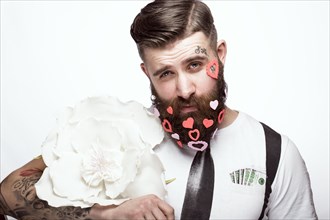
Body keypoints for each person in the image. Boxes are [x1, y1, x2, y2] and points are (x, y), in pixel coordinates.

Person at [0, 0, 317, 219]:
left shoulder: (275, 153)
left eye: (194, 65)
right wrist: (106, 214)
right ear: (147, 74)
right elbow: (9, 194)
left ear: (219, 55)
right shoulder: (114, 130)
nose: (184, 89)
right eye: (165, 73)